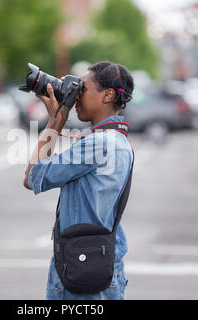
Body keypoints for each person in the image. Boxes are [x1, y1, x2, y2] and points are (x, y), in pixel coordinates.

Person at [23, 61, 134, 300]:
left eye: (82, 89)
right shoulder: (118, 140)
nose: (76, 97)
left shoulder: (98, 144)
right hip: (101, 263)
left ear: (107, 95)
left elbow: (33, 177)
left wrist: (56, 119)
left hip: (83, 269)